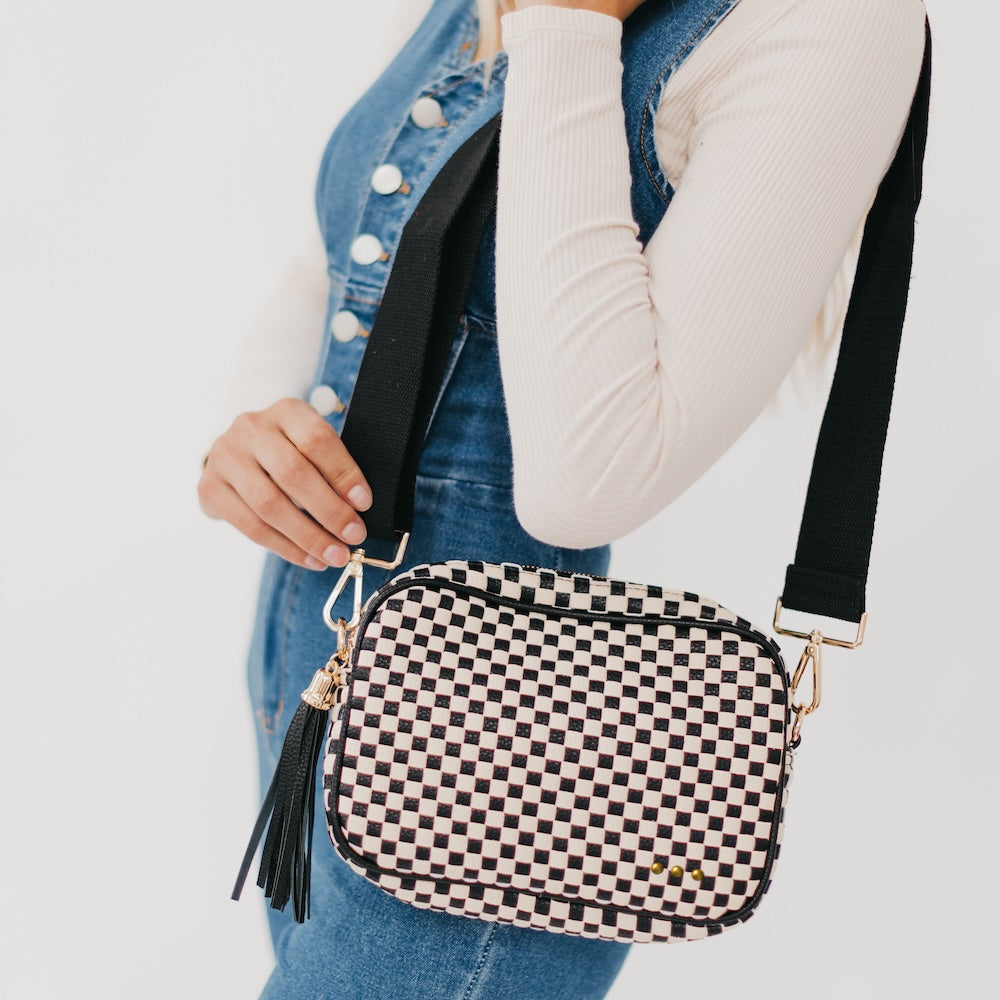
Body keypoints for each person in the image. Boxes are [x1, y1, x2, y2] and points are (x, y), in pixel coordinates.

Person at [197, 1, 928, 996]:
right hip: (312, 643)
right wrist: (257, 425)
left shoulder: (834, 21)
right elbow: (349, 248)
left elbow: (586, 482)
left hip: (501, 759)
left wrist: (567, 27)